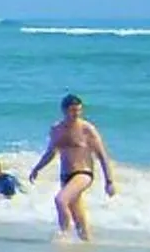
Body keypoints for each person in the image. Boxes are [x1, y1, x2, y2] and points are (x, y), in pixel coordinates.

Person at [27, 94, 116, 240]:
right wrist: (37, 168)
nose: (76, 114)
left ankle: (64, 236)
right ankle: (86, 243)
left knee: (61, 200)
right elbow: (51, 152)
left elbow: (102, 155)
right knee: (78, 215)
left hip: (83, 173)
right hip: (65, 175)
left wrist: (109, 181)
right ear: (64, 110)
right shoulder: (56, 129)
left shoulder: (87, 129)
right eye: (73, 111)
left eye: (79, 110)